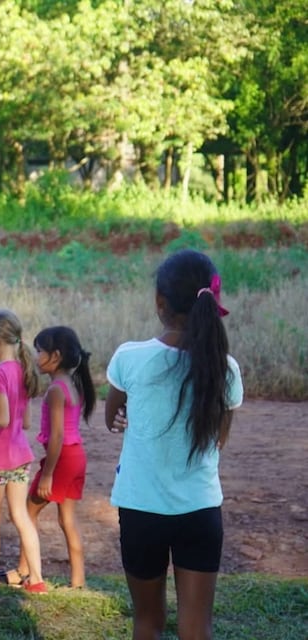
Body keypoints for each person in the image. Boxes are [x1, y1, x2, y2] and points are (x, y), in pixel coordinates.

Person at [105, 249, 242, 640]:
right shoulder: (225, 368)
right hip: (199, 510)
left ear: (159, 303)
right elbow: (218, 434)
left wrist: (128, 417)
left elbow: (112, 417)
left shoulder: (129, 358)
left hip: (140, 509)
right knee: (196, 627)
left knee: (147, 622)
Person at [12, 326, 95, 589]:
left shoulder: (56, 391)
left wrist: (47, 473)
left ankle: (25, 570)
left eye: (39, 351)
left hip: (61, 460)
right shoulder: (73, 385)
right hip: (76, 458)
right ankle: (78, 581)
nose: (37, 357)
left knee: (27, 511)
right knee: (67, 519)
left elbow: (57, 437)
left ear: (55, 356)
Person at [0, 309, 46, 593]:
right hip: (20, 456)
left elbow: (1, 419)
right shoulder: (23, 369)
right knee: (21, 516)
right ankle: (37, 579)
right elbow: (25, 421)